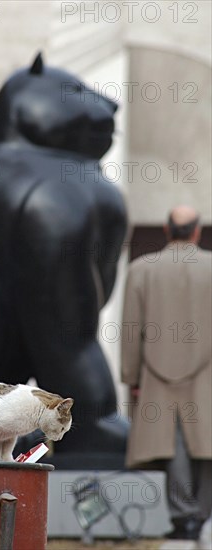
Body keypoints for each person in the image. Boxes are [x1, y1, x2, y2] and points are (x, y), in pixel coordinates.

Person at [121, 205, 212, 541]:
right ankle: (202, 516)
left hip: (157, 374)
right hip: (208, 375)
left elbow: (130, 330)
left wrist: (131, 377)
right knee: (206, 442)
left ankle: (183, 517)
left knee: (173, 445)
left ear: (166, 228)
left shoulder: (141, 269)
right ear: (197, 231)